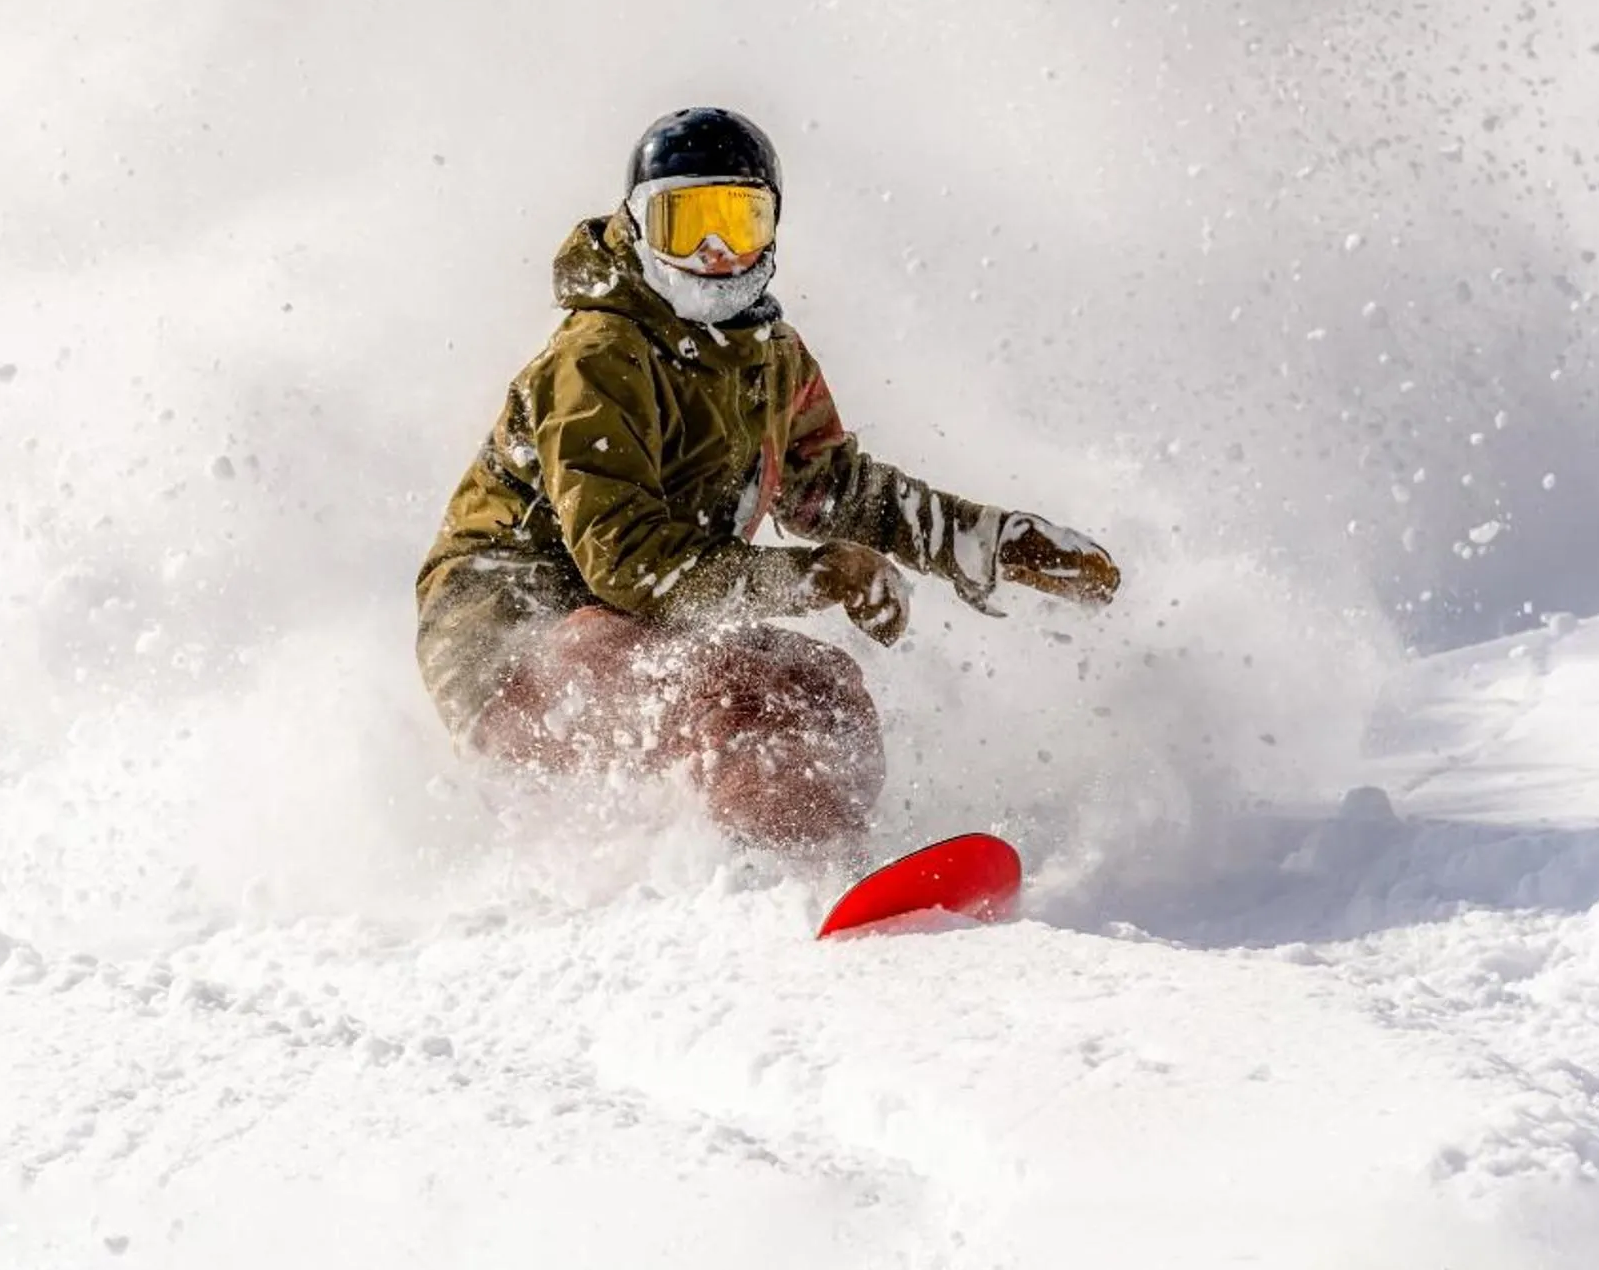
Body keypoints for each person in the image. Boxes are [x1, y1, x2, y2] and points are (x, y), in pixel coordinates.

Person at [414, 106, 1121, 853]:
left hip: (628, 626)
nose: (715, 252)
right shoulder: (598, 358)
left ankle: (829, 852)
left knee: (821, 680)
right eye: (686, 225)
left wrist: (983, 543)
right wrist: (816, 579)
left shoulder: (769, 358)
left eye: (738, 222)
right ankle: (773, 869)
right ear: (636, 227)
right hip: (513, 635)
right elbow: (624, 562)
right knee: (733, 690)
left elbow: (835, 489)